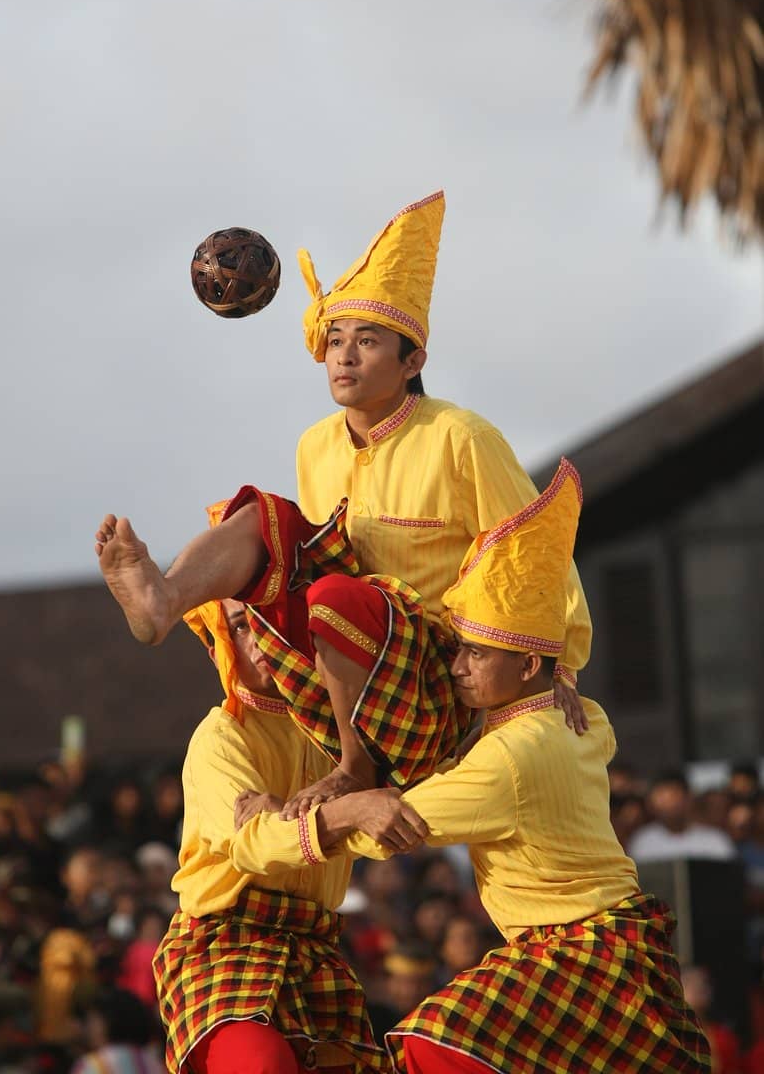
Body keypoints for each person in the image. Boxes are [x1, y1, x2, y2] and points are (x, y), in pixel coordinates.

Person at [97, 194, 592, 806]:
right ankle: (164, 598)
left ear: (414, 361)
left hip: (435, 682)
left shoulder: (461, 437)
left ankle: (356, 769)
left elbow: (535, 547)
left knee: (334, 593)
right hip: (346, 665)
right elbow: (316, 561)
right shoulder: (315, 445)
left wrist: (556, 666)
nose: (345, 356)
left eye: (367, 341)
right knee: (267, 517)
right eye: (335, 341)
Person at [236, 459, 711, 1073]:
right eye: (459, 648)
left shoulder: (510, 757)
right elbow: (579, 709)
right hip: (602, 946)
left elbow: (392, 825)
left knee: (431, 1044)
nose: (457, 667)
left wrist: (298, 811)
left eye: (478, 654)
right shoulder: (580, 717)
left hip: (579, 951)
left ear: (528, 667)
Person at [151, 595, 386, 1074]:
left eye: (268, 621)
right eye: (239, 626)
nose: (258, 638)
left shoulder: (342, 731)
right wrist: (351, 812)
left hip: (315, 946)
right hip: (223, 941)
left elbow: (387, 824)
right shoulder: (221, 735)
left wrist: (558, 676)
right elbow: (253, 845)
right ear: (220, 647)